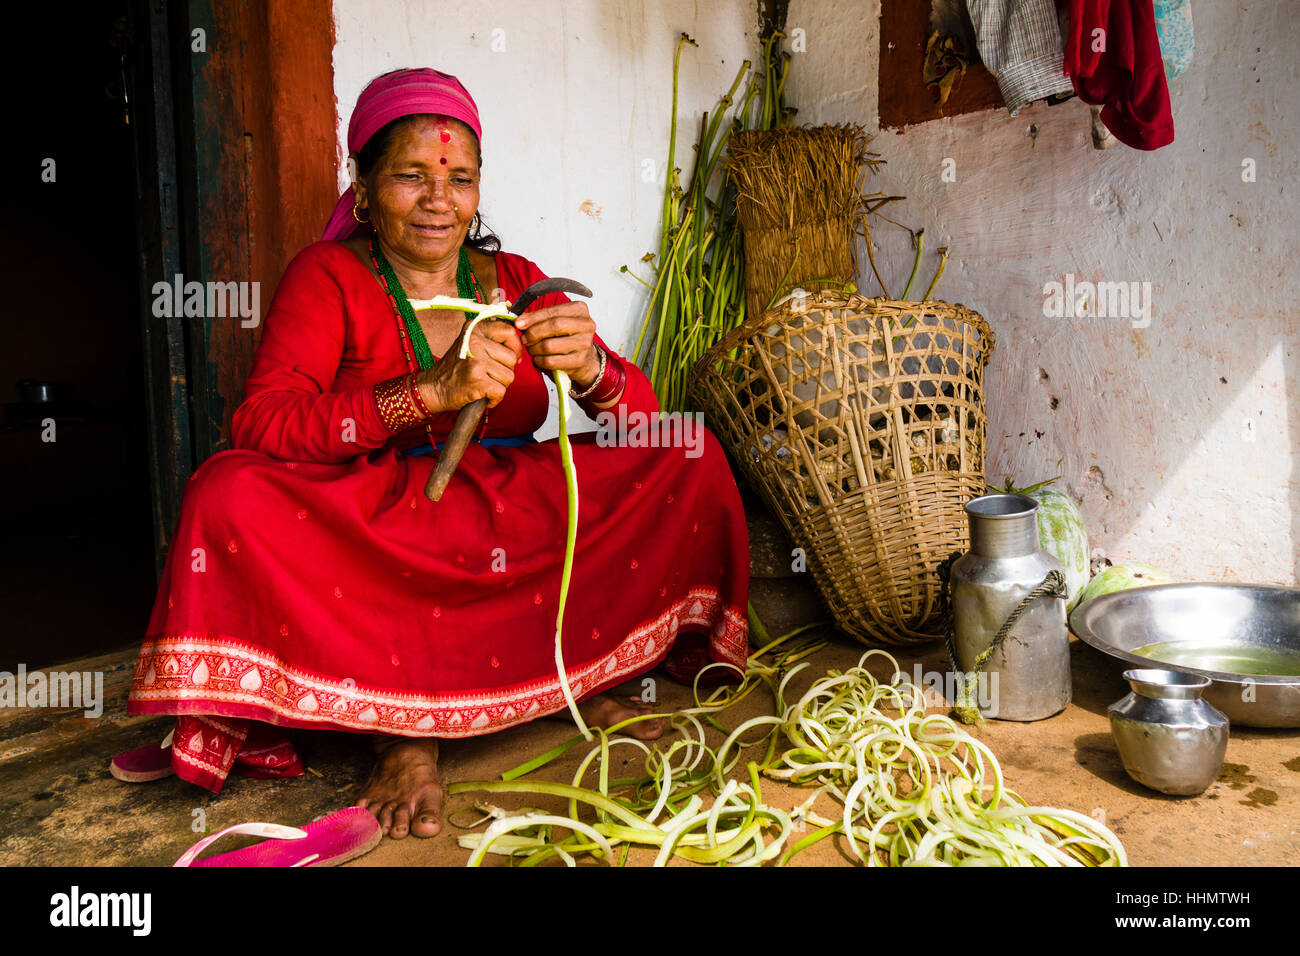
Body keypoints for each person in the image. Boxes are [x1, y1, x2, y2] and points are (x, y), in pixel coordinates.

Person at [123, 68, 751, 840]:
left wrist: (591, 369)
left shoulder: (514, 279)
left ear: (480, 188)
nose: (438, 199)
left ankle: (575, 678)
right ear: (363, 185)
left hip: (513, 511)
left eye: (459, 178)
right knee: (228, 490)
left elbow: (640, 422)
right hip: (385, 523)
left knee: (686, 449)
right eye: (410, 176)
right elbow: (264, 423)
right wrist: (423, 392)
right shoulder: (330, 277)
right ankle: (404, 732)